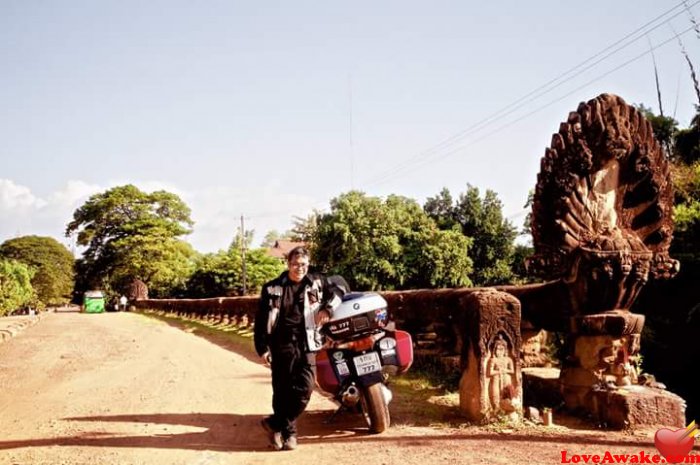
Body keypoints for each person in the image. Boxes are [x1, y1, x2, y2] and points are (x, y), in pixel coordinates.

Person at [253, 246, 342, 451]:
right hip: (281, 344)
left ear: (308, 264)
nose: (299, 268)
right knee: (282, 391)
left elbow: (339, 290)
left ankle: (275, 423)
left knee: (306, 387)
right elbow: (260, 322)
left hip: (307, 343)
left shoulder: (317, 282)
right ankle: (288, 434)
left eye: (303, 264)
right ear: (288, 264)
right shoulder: (272, 288)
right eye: (295, 264)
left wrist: (328, 309)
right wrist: (262, 348)